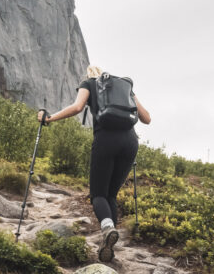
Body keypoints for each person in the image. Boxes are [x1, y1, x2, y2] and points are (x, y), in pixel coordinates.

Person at [38, 66, 151, 261]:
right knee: (111, 195)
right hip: (130, 142)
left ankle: (107, 228)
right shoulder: (125, 88)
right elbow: (147, 118)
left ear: (89, 74)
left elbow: (77, 107)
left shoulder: (89, 83)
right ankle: (109, 245)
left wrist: (49, 119)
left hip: (106, 140)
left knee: (98, 194)